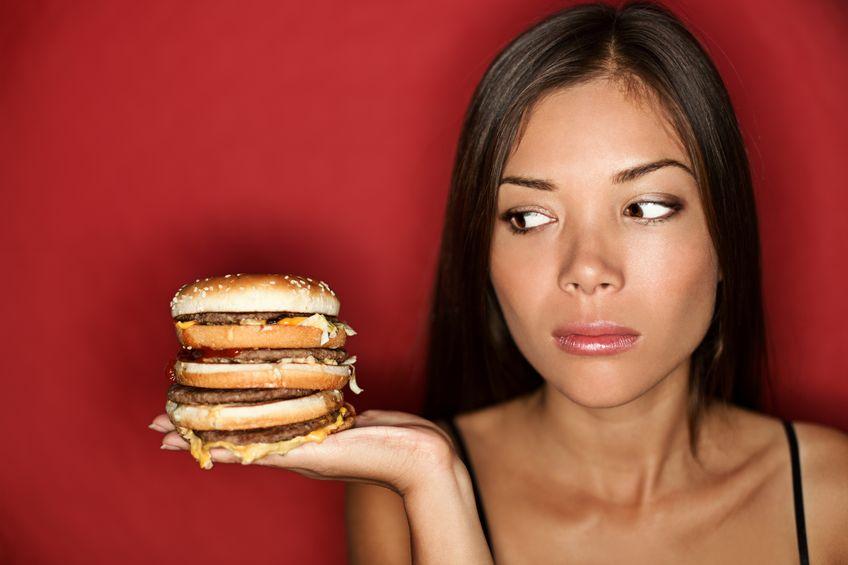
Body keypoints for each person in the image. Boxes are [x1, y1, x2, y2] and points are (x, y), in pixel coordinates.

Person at [152, 1, 848, 563]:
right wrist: (434, 483)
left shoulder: (832, 497)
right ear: (481, 252)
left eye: (644, 208)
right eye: (529, 217)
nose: (587, 270)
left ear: (725, 232)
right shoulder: (396, 493)